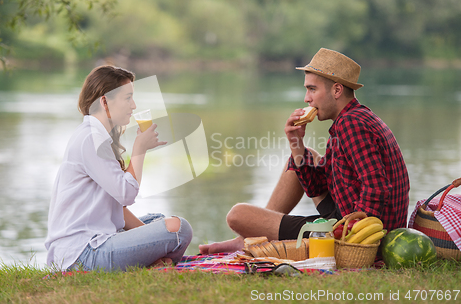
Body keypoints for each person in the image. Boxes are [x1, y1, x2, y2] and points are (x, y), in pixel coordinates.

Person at [199, 48, 409, 254]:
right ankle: (250, 237)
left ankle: (248, 239)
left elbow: (377, 187)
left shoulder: (351, 125)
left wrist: (355, 239)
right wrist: (295, 143)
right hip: (347, 214)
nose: (306, 98)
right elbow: (316, 187)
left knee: (237, 216)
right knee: (302, 157)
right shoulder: (353, 118)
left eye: (312, 89)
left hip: (358, 236)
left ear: (337, 90)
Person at [45, 65, 193, 271]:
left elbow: (118, 209)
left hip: (92, 243)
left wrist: (155, 237)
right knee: (180, 229)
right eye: (128, 98)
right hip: (81, 255)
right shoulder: (91, 138)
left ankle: (155, 261)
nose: (133, 105)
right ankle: (155, 263)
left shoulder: (95, 135)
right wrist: (139, 149)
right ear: (105, 101)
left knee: (159, 221)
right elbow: (126, 195)